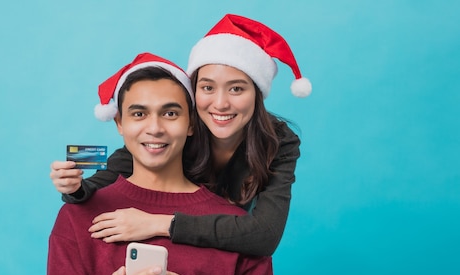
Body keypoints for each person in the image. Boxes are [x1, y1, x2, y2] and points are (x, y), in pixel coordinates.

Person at [45, 53, 280, 275]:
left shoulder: (236, 227)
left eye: (170, 114)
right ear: (119, 123)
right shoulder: (77, 217)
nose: (154, 128)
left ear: (192, 124)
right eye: (139, 114)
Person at [50, 14, 311, 257]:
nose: (220, 104)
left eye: (236, 89)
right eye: (207, 87)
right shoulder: (175, 127)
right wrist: (74, 188)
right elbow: (109, 176)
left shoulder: (278, 142)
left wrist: (159, 223)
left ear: (257, 94)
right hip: (166, 253)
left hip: (219, 256)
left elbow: (264, 235)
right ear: (193, 92)